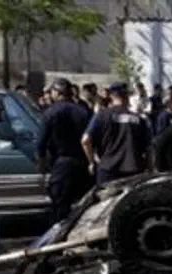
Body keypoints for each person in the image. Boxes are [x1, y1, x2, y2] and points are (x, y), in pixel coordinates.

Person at [35, 78, 93, 223]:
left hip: (61, 165)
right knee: (84, 208)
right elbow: (92, 137)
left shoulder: (50, 113)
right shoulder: (83, 111)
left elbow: (41, 142)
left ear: (57, 92)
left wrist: (41, 162)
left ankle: (60, 240)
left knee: (60, 208)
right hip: (82, 164)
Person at [81, 82, 152, 185]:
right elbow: (149, 149)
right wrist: (149, 170)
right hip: (134, 171)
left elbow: (85, 140)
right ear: (127, 96)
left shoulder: (101, 116)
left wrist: (91, 162)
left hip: (108, 170)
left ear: (111, 96)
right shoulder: (140, 119)